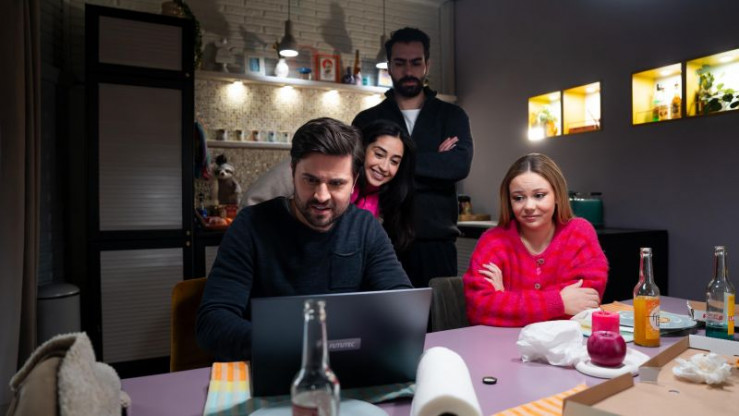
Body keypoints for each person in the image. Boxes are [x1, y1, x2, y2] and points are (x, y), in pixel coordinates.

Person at [196, 117, 413, 361]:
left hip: (345, 365)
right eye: (310, 180)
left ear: (353, 182)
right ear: (293, 172)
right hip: (272, 361)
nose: (322, 196)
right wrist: (292, 344)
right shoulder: (250, 226)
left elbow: (402, 307)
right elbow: (213, 321)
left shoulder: (365, 227)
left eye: (336, 183)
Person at [353, 27, 473, 287]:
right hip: (379, 239)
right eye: (400, 63)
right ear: (389, 66)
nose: (408, 71)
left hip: (437, 242)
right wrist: (434, 162)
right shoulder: (367, 120)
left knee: (437, 313)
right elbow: (360, 172)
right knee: (380, 312)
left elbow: (458, 166)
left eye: (416, 62)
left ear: (427, 65)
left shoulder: (452, 116)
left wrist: (393, 166)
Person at [463, 153, 608, 327]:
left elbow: (586, 302)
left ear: (558, 195)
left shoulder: (579, 233)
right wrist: (559, 302)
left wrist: (505, 299)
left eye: (539, 195)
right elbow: (478, 309)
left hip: (567, 341)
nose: (529, 207)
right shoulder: (492, 241)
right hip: (504, 342)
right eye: (518, 198)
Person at [242, 119, 417, 252]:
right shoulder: (311, 167)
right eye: (379, 154)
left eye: (394, 161)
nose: (384, 167)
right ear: (362, 148)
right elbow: (253, 203)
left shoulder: (387, 201)